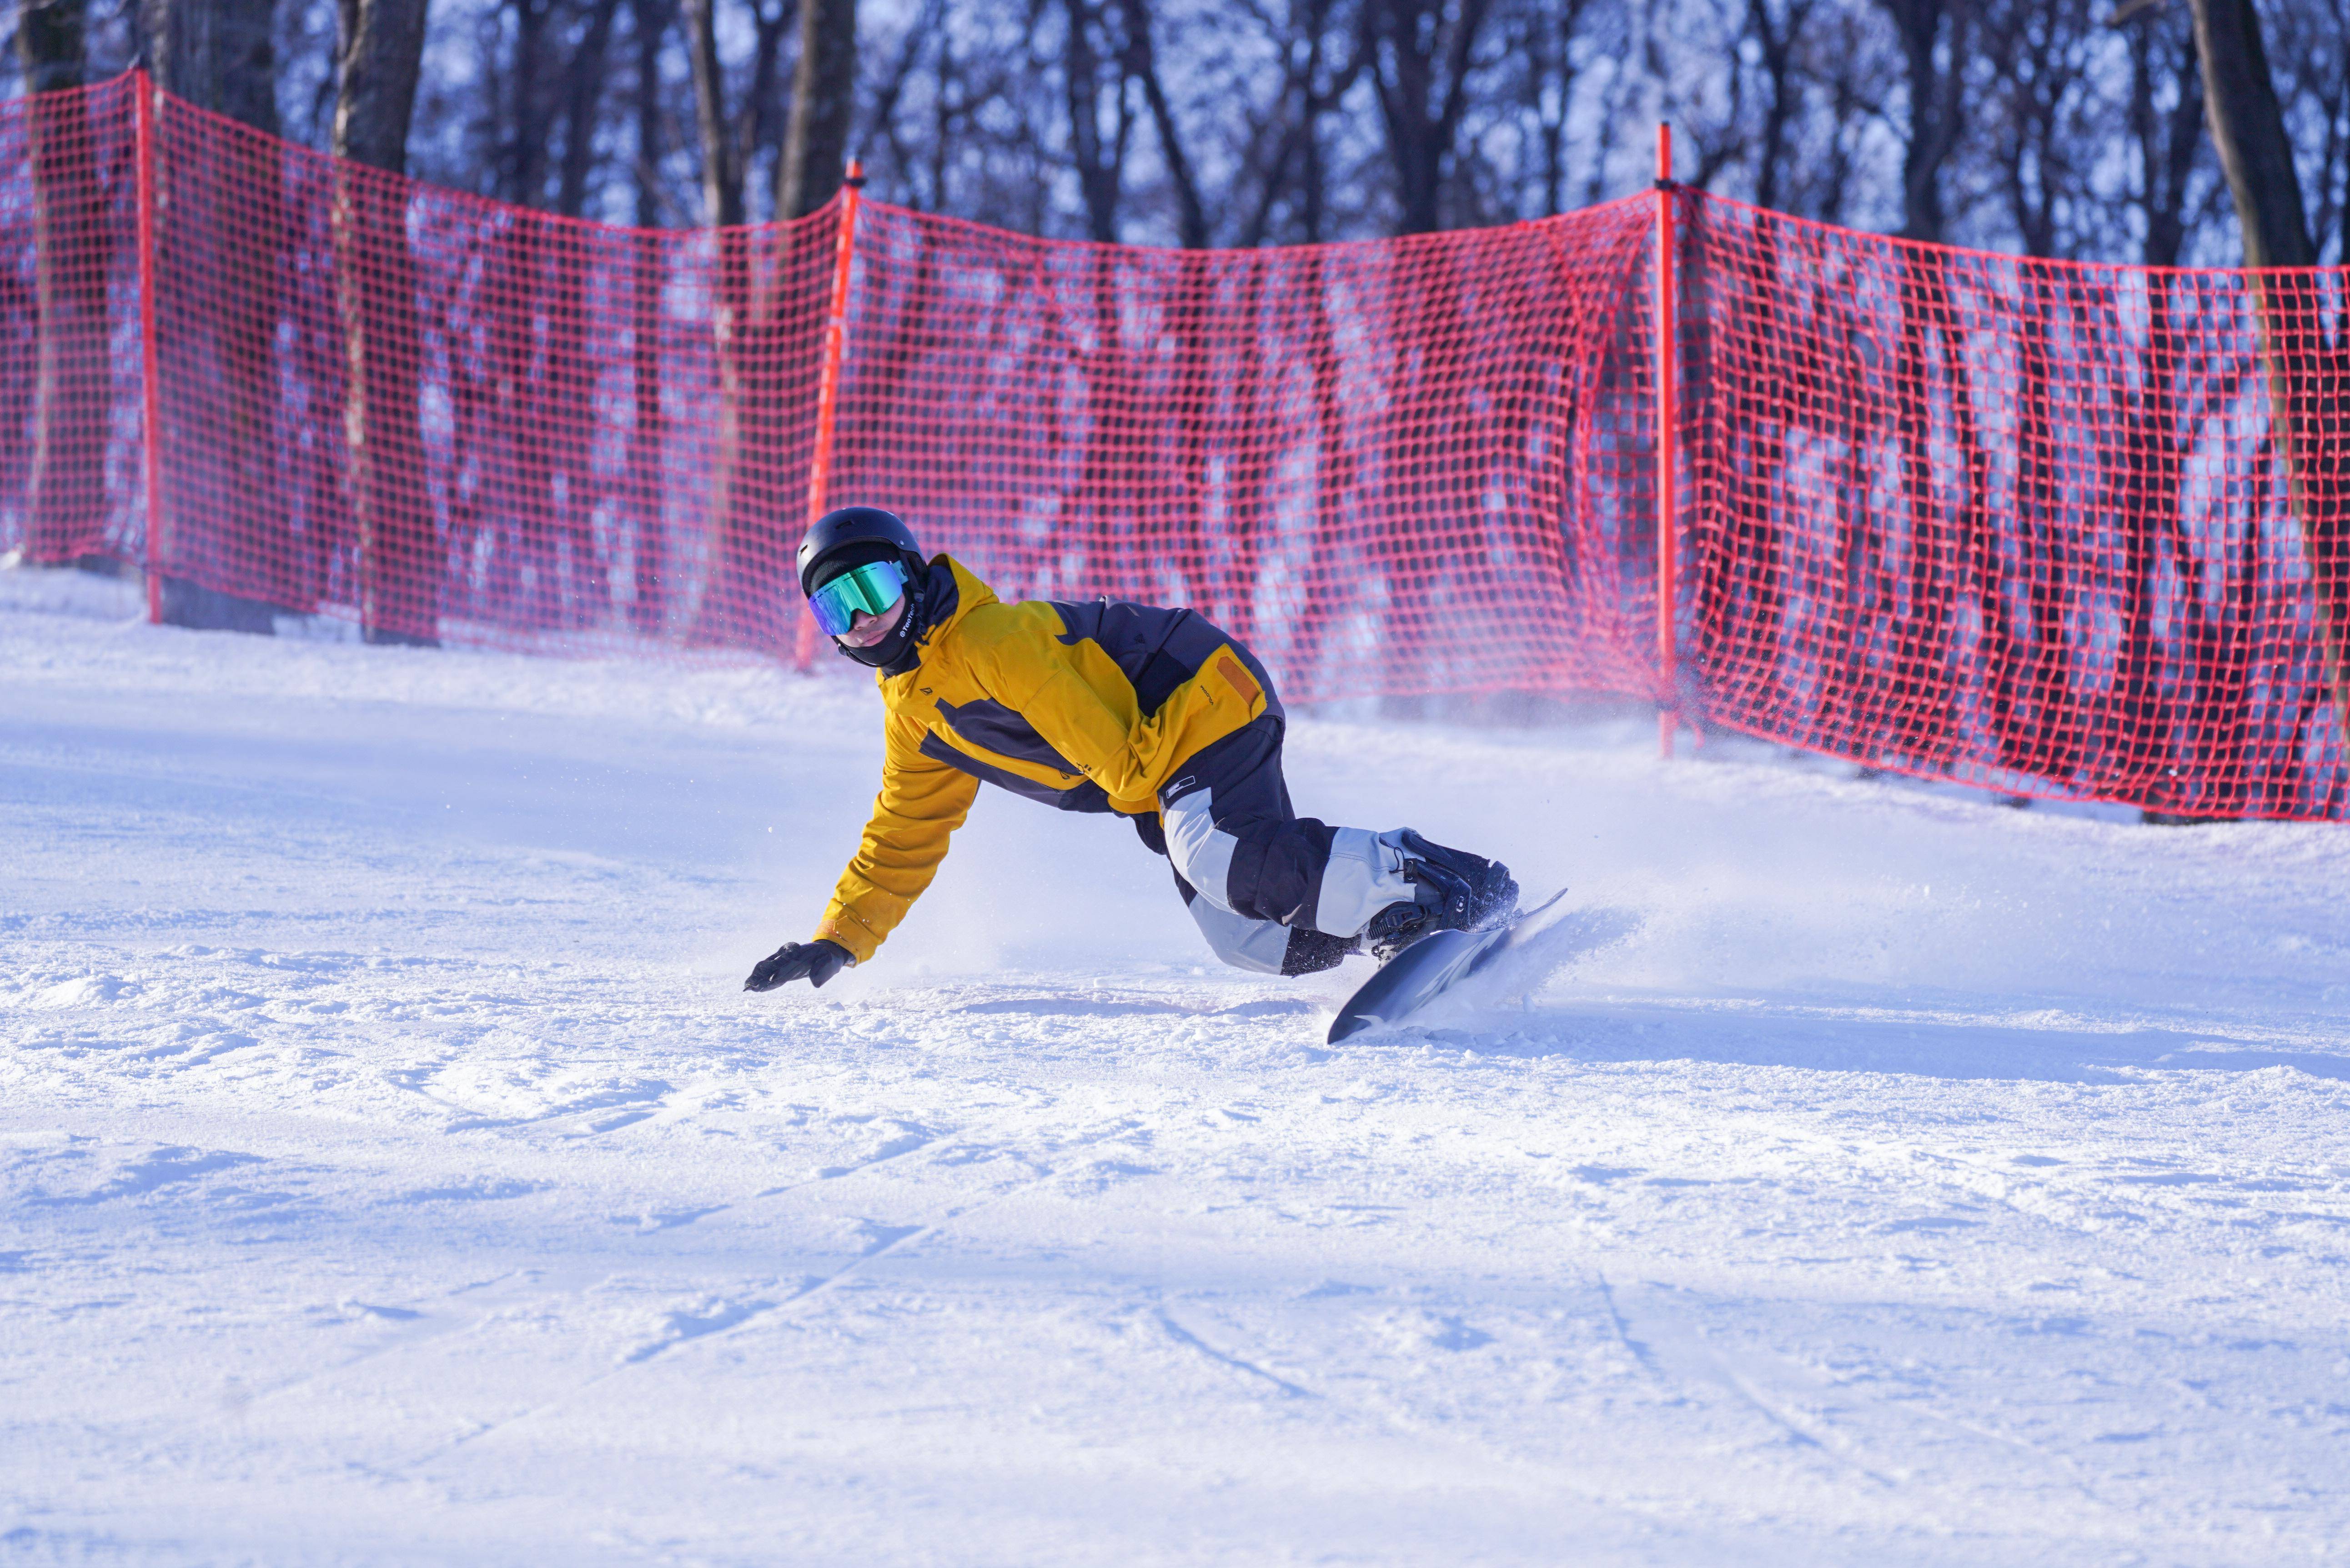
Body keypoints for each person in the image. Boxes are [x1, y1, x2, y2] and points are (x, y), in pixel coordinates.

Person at [744, 507, 1518, 992]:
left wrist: (1171, 826)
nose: (865, 620)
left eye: (873, 590)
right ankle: (1394, 927)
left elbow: (1087, 722)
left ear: (911, 579)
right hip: (1157, 761)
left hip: (1196, 697)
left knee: (1215, 854)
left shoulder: (986, 637)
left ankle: (1434, 882)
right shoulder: (914, 713)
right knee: (1249, 940)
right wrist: (840, 939)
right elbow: (903, 834)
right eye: (838, 608)